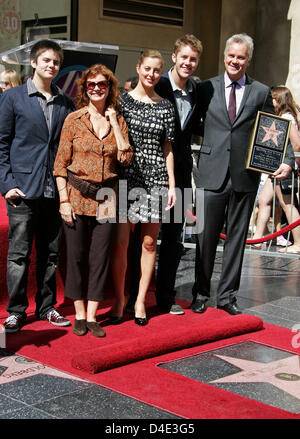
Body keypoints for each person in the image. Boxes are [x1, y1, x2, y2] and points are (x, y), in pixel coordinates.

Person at [192, 33, 295, 315]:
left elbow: (272, 131)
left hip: (244, 176)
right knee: (205, 238)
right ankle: (200, 294)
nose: (235, 61)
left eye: (241, 57)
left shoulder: (261, 92)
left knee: (236, 240)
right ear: (225, 56)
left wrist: (286, 159)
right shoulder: (205, 88)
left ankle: (227, 297)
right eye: (231, 55)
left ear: (248, 60)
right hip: (211, 174)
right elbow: (191, 123)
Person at [0, 39, 75, 333]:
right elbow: (1, 144)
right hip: (22, 189)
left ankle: (47, 307)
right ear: (33, 63)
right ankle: (17, 310)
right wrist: (7, 184)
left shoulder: (65, 102)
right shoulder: (14, 98)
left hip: (53, 189)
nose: (51, 66)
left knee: (51, 254)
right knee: (19, 255)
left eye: (55, 62)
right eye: (46, 60)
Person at [53, 64, 133, 337]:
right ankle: (78, 312)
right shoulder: (73, 120)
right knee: (75, 256)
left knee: (100, 257)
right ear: (85, 88)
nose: (97, 88)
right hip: (75, 194)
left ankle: (92, 315)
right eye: (91, 84)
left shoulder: (118, 120)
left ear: (110, 88)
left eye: (102, 84)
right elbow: (60, 165)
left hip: (107, 197)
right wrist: (63, 201)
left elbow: (125, 158)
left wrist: (115, 125)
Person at [126, 34, 203, 316]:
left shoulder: (198, 90)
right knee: (135, 239)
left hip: (175, 175)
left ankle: (164, 296)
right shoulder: (153, 85)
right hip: (136, 177)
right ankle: (130, 293)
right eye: (184, 57)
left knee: (172, 236)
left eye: (193, 59)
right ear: (174, 57)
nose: (188, 63)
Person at [110, 49, 176, 326]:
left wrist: (172, 184)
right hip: (126, 177)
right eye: (147, 68)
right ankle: (119, 298)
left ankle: (139, 300)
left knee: (149, 243)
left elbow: (168, 147)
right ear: (138, 68)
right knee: (122, 243)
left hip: (157, 179)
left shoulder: (166, 106)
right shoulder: (122, 102)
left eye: (156, 70)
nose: (151, 74)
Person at [252, 86, 300, 254]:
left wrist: (288, 162)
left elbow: (296, 143)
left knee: (287, 205)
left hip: (284, 168)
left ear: (278, 99)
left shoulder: (287, 117)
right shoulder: (282, 117)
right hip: (276, 168)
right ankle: (258, 238)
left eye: (272, 98)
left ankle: (298, 243)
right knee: (264, 200)